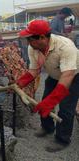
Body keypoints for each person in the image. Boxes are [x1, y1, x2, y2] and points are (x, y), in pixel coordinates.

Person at [16, 19, 79, 152]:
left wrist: (53, 99)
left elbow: (67, 75)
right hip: (54, 75)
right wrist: (19, 83)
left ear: (43, 37)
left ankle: (62, 139)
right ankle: (47, 127)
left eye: (30, 39)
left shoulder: (65, 46)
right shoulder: (33, 47)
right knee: (45, 101)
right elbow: (34, 70)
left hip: (72, 77)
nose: (28, 43)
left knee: (66, 109)